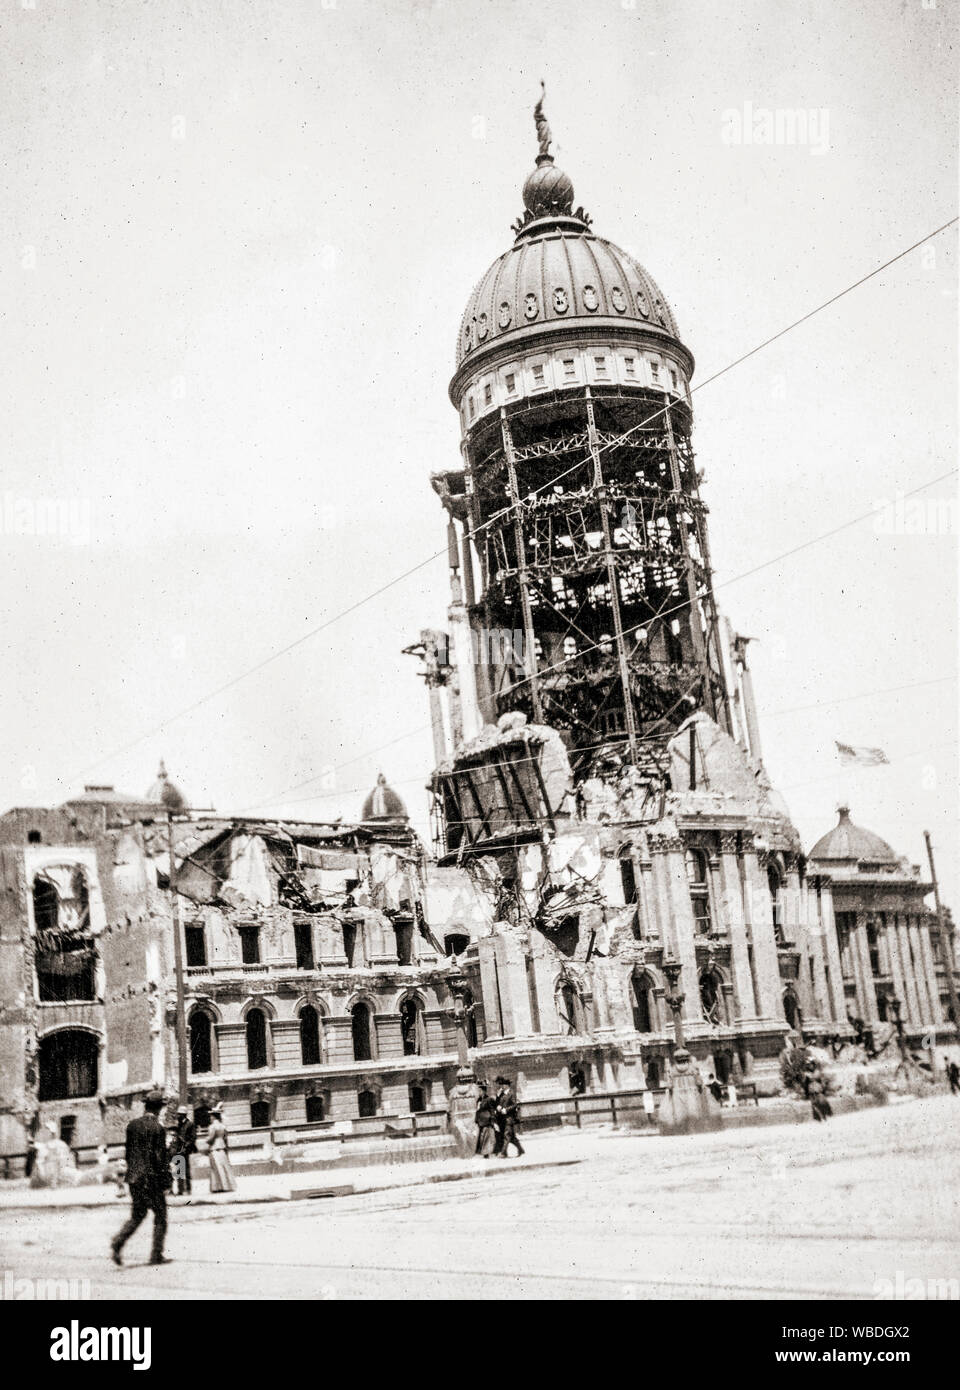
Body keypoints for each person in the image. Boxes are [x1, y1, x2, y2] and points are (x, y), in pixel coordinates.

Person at [110, 1091, 172, 1267]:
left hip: (134, 1179)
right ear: (159, 1108)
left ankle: (118, 1242)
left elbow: (129, 1154)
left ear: (146, 1106)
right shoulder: (158, 1129)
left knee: (137, 1215)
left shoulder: (132, 1125)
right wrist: (167, 1180)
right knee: (161, 1216)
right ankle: (156, 1255)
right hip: (151, 1179)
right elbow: (160, 1158)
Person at [206, 1104, 236, 1194]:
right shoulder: (223, 1126)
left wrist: (206, 1140)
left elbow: (211, 1138)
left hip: (214, 1148)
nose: (210, 1117)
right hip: (222, 1147)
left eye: (211, 1116)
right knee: (224, 1167)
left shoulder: (212, 1127)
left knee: (216, 1168)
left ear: (213, 1116)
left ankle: (218, 1187)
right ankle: (227, 1185)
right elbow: (225, 1138)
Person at [169, 1107, 197, 1195]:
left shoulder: (190, 1124)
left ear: (183, 1115)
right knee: (179, 1170)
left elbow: (192, 1138)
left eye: (179, 1114)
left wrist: (186, 1147)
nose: (177, 1116)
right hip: (178, 1150)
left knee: (186, 1170)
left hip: (185, 1150)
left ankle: (188, 1189)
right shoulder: (179, 1124)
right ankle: (180, 1189)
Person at [495, 1076, 524, 1158]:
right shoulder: (502, 1094)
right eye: (501, 1085)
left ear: (507, 1085)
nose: (502, 1086)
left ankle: (503, 1153)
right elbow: (499, 1103)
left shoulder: (511, 1093)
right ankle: (521, 1149)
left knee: (507, 1135)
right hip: (503, 1118)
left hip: (510, 1118)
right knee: (512, 1137)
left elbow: (515, 1104)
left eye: (503, 1085)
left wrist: (506, 1110)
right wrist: (498, 1106)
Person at [474, 1086, 498, 1158]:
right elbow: (477, 1111)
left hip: (487, 1121)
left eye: (480, 1091)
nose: (479, 1093)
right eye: (478, 1091)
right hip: (480, 1121)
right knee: (483, 1137)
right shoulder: (479, 1100)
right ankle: (485, 1152)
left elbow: (492, 1110)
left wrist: (493, 1120)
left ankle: (486, 1153)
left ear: (484, 1091)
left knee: (487, 1137)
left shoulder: (488, 1099)